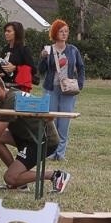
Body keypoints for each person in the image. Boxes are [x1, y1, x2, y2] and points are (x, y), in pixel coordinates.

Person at [0, 71, 68, 193]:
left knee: (9, 178)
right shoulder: (7, 98)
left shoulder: (11, 101)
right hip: (29, 137)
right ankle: (20, 183)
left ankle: (55, 175)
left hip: (43, 141)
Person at [38, 19, 85, 160]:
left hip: (68, 89)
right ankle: (51, 153)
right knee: (51, 121)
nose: (64, 34)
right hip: (51, 89)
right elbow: (41, 70)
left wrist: (80, 84)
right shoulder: (49, 49)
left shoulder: (73, 50)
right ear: (54, 33)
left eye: (66, 31)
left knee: (64, 121)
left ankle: (60, 153)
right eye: (61, 31)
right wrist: (42, 58)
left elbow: (81, 67)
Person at [0, 21, 33, 91]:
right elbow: (1, 66)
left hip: (19, 87)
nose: (6, 33)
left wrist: (15, 68)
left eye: (9, 31)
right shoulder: (5, 49)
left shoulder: (24, 49)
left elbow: (33, 69)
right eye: (5, 31)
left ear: (17, 33)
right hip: (4, 85)